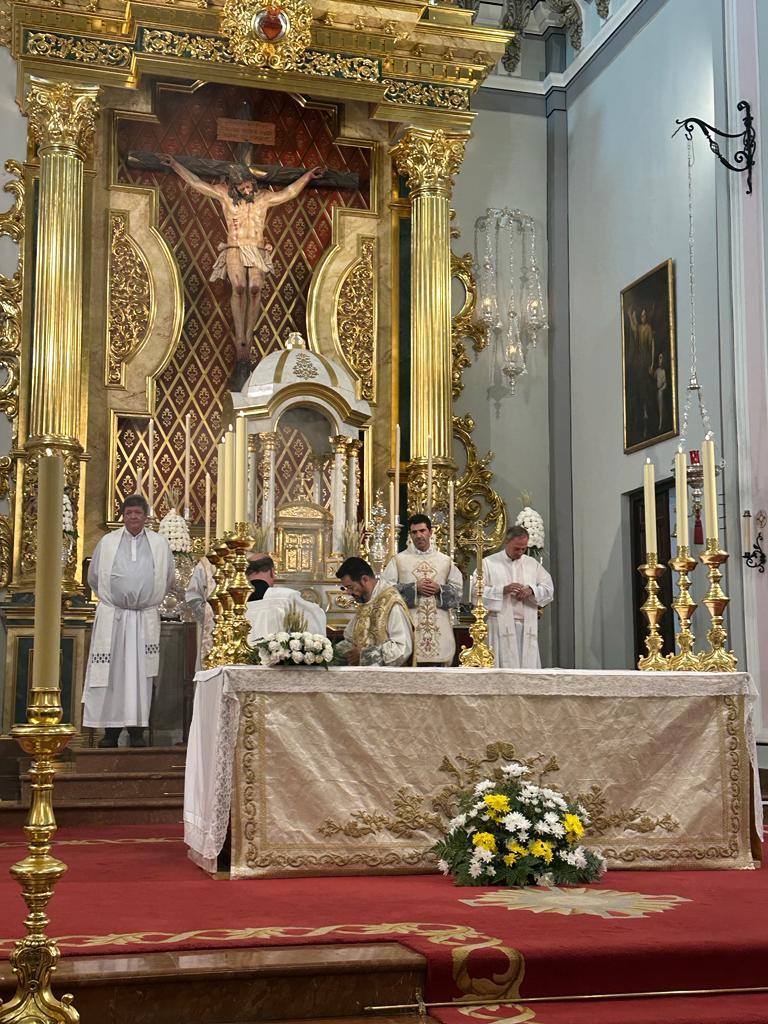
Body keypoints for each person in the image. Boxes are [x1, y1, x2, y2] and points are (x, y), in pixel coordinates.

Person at [161, 154, 322, 385]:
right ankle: (240, 336)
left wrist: (307, 176)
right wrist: (176, 165)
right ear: (234, 186)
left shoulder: (263, 198)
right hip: (235, 247)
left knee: (255, 287)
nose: (247, 188)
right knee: (238, 286)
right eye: (242, 185)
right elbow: (197, 184)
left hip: (256, 248)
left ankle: (249, 331)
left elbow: (289, 193)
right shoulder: (224, 195)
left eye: (249, 183)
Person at [82, 495, 175, 747]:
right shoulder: (108, 542)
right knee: (111, 674)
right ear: (123, 515)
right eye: (129, 513)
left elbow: (167, 577)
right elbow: (94, 577)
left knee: (140, 675)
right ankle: (110, 733)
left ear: (146, 516)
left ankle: (136, 731)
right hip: (114, 618)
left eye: (138, 513)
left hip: (144, 618)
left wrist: (144, 599)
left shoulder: (159, 544)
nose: (133, 517)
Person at [381, 514, 462, 666]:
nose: (419, 535)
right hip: (408, 628)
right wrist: (413, 588)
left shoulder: (445, 561)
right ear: (410, 535)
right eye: (414, 532)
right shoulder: (398, 560)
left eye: (422, 531)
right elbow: (385, 592)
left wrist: (439, 589)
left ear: (431, 532)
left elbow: (458, 593)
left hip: (440, 630)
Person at [471, 525, 554, 669]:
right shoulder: (488, 563)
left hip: (527, 626)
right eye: (517, 548)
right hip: (499, 626)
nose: (520, 552)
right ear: (506, 542)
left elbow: (548, 588)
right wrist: (502, 590)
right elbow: (475, 592)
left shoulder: (531, 564)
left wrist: (532, 590)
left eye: (524, 548)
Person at [335, 557, 413, 666]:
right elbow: (350, 639)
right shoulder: (367, 601)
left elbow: (402, 648)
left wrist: (364, 656)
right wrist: (326, 653)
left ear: (365, 579)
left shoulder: (391, 602)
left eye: (350, 587)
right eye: (346, 588)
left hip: (386, 679)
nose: (348, 593)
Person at [245, 552, 326, 640]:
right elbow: (313, 619)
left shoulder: (234, 600)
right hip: (274, 653)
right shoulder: (286, 597)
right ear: (272, 572)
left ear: (246, 573)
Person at [184, 555, 215, 672]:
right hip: (212, 622)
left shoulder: (247, 559)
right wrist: (206, 612)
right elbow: (193, 594)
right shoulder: (207, 564)